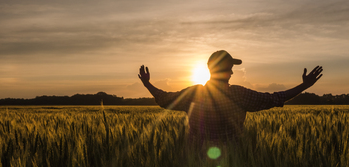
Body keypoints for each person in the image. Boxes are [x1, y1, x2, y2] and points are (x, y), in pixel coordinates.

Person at [138, 50, 323, 143]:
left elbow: (164, 99)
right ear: (225, 71)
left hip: (196, 160)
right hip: (233, 161)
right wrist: (304, 86)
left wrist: (147, 84)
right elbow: (275, 98)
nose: (233, 73)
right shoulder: (239, 94)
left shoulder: (193, 93)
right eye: (230, 69)